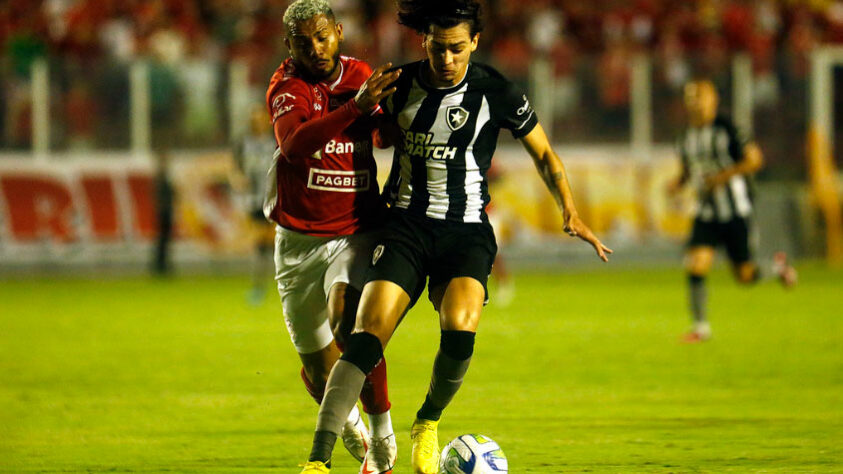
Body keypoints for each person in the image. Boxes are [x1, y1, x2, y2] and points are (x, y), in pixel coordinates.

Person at [300, 1, 612, 472]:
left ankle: (427, 421)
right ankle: (318, 462)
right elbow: (358, 136)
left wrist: (569, 210)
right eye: (438, 48)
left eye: (457, 49)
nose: (447, 60)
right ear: (423, 41)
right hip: (404, 225)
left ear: (475, 44)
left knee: (461, 327)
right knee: (365, 337)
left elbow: (545, 155)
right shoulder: (397, 84)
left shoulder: (496, 92)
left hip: (465, 232)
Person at [265, 0, 401, 471]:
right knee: (321, 371)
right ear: (290, 47)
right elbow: (295, 147)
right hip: (298, 242)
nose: (316, 49)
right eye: (304, 43)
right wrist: (358, 109)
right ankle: (350, 426)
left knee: (351, 325)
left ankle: (382, 431)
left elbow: (381, 136)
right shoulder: (287, 87)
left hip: (354, 232)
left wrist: (385, 121)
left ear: (339, 33)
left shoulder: (360, 74)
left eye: (323, 37)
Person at [666, 79, 797, 343]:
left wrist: (723, 177)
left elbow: (754, 160)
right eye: (691, 97)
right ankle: (700, 327)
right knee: (697, 263)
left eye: (700, 97)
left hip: (736, 211)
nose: (695, 103)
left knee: (745, 276)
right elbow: (688, 172)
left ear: (713, 99)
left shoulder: (728, 129)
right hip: (706, 213)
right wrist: (676, 185)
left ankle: (778, 267)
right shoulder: (685, 137)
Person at [233, 105, 277, 305]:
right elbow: (236, 169)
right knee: (262, 243)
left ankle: (271, 284)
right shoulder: (243, 143)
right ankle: (259, 287)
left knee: (273, 242)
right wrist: (239, 179)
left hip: (277, 198)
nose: (257, 123)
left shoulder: (276, 140)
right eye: (254, 120)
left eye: (260, 119)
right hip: (255, 200)